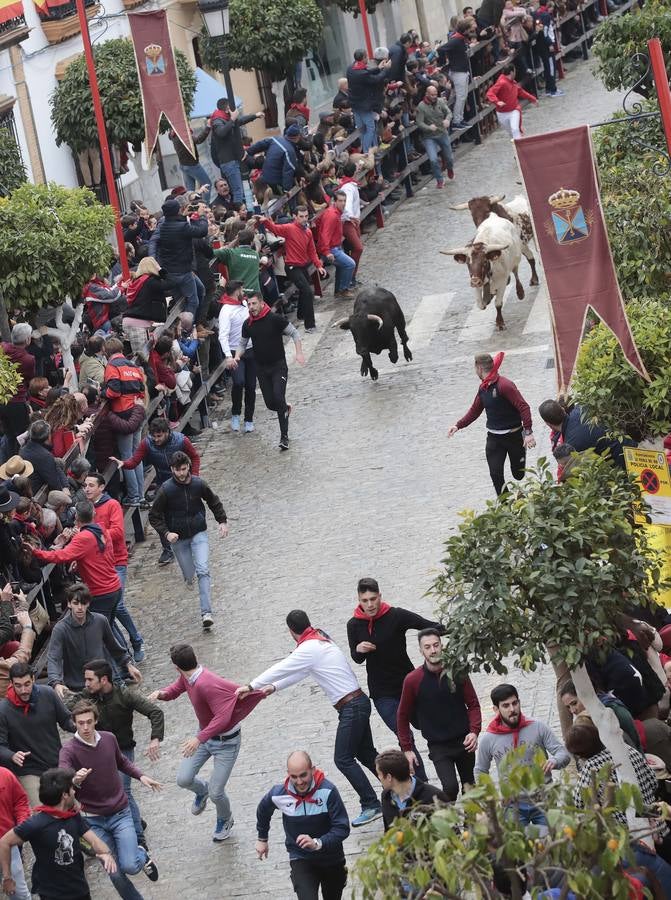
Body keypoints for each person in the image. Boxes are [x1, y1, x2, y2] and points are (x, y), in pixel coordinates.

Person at [237, 610, 383, 827]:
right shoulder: (319, 639)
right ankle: (402, 786)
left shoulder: (309, 647)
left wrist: (251, 686)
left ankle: (371, 803)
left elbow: (282, 667)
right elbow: (302, 672)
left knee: (343, 758)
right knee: (366, 753)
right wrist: (274, 687)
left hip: (352, 707)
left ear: (290, 631)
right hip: (356, 703)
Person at [148, 643, 264, 843]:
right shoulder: (188, 677)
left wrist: (198, 738)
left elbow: (223, 718)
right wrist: (163, 693)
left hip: (226, 743)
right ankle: (201, 791)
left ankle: (225, 819)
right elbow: (177, 688)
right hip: (205, 737)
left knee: (216, 792)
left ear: (176, 666)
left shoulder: (205, 684)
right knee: (183, 779)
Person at [59, 701, 161, 899]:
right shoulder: (69, 750)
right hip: (93, 823)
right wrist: (74, 779)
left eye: (89, 722)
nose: (86, 727)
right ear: (74, 723)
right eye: (81, 723)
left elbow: (121, 762)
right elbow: (64, 771)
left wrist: (141, 776)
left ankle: (142, 854)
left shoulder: (109, 738)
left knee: (130, 865)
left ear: (96, 720)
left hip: (120, 814)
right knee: (115, 874)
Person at [346, 577, 442, 782]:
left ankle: (445, 763)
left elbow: (427, 626)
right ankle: (423, 785)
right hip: (382, 693)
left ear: (380, 596)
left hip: (408, 685)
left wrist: (461, 629)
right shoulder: (354, 625)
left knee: (431, 726)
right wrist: (359, 649)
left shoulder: (395, 615)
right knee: (404, 736)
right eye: (365, 600)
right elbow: (356, 658)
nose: (370, 605)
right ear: (359, 600)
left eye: (373, 599)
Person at [566, 721, 671, 894]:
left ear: (579, 753)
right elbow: (653, 782)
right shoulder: (626, 750)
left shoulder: (590, 769)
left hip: (633, 840)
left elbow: (578, 805)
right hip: (658, 824)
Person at [78, 659, 163, 850]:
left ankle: (139, 840)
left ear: (104, 680)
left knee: (124, 791)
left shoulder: (125, 695)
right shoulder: (87, 695)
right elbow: (69, 709)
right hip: (98, 754)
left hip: (123, 750)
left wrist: (155, 739)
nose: (86, 684)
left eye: (90, 680)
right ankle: (134, 822)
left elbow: (155, 712)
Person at [0, 767, 117, 900]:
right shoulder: (36, 823)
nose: (74, 792)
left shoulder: (73, 816)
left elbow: (94, 840)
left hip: (79, 889)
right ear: (64, 795)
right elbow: (5, 841)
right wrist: (7, 877)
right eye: (72, 788)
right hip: (51, 894)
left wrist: (106, 854)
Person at [148, 451, 229, 631]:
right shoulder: (166, 490)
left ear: (188, 467)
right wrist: (166, 533)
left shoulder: (198, 484)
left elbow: (213, 501)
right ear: (172, 470)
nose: (182, 473)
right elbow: (154, 516)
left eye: (184, 469)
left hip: (198, 532)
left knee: (203, 569)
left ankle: (206, 613)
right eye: (178, 470)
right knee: (189, 573)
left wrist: (222, 521)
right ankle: (188, 578)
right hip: (178, 538)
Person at [397, 629, 481, 800]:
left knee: (470, 786)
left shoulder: (457, 672)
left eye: (436, 645)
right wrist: (407, 749)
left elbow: (473, 704)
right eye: (427, 647)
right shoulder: (413, 680)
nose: (433, 650)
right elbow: (402, 715)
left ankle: (470, 824)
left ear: (442, 646)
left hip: (464, 740)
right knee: (450, 787)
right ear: (421, 651)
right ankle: (448, 823)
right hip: (438, 746)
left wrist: (474, 731)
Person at [255, 750, 349, 900]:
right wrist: (262, 838)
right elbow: (263, 810)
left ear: (312, 770)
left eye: (303, 775)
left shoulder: (328, 791)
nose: (299, 782)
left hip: (331, 858)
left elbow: (342, 828)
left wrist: (317, 843)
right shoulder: (279, 794)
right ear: (288, 774)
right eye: (294, 777)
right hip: (301, 858)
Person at [474, 684, 570, 826]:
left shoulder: (537, 727)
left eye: (515, 703)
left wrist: (554, 761)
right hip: (513, 806)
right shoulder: (489, 739)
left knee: (550, 843)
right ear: (496, 709)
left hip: (544, 800)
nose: (512, 709)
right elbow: (480, 771)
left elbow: (563, 753)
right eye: (505, 706)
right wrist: (491, 796)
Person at [111, 417, 200, 567]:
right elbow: (135, 460)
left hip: (183, 479)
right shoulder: (148, 443)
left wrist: (195, 477)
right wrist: (124, 464)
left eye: (159, 436)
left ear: (167, 433)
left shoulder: (181, 440)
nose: (156, 439)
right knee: (159, 516)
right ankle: (167, 549)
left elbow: (195, 457)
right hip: (163, 481)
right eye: (154, 436)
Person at [447, 352, 536, 495]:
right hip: (494, 439)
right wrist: (458, 425)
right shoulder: (483, 388)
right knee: (496, 474)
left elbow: (523, 407)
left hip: (514, 437)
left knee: (518, 474)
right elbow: (475, 410)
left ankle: (519, 464)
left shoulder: (505, 385)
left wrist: (528, 432)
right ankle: (506, 506)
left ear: (479, 368)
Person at [27, 499, 122, 626]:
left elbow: (60, 555)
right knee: (109, 628)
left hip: (101, 591)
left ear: (76, 516)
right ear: (93, 514)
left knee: (102, 631)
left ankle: (131, 643)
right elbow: (99, 555)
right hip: (114, 586)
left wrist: (36, 552)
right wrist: (79, 560)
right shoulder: (102, 529)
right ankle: (134, 643)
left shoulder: (83, 537)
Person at [84, 473, 144, 663]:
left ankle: (136, 641)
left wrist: (93, 535)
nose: (86, 489)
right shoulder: (87, 508)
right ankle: (123, 652)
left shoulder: (112, 505)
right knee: (110, 612)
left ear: (101, 487)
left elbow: (118, 532)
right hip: (100, 563)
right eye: (85, 485)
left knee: (117, 606)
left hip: (116, 560)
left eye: (91, 485)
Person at [234, 294, 305, 451]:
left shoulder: (274, 319)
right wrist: (237, 356)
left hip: (278, 366)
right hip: (261, 369)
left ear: (261, 303)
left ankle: (284, 437)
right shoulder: (248, 325)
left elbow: (294, 333)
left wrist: (299, 352)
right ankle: (285, 408)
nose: (251, 307)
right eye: (249, 304)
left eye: (253, 303)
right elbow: (242, 343)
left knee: (279, 397)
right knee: (270, 403)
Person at [0, 662, 74, 809]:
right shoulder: (3, 710)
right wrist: (11, 755)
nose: (23, 690)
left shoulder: (48, 694)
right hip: (29, 770)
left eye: (27, 684)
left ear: (33, 679)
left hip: (55, 764)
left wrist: (83, 727)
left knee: (73, 808)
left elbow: (66, 720)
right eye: (18, 685)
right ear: (11, 683)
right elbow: (0, 745)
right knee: (43, 813)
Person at [47, 584, 141, 697]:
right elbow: (54, 658)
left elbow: (113, 647)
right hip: (78, 688)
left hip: (104, 682)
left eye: (83, 603)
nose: (80, 607)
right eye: (76, 603)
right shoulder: (60, 629)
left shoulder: (100, 621)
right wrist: (56, 682)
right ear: (69, 604)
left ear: (89, 603)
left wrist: (128, 664)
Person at [262, 207, 326, 333]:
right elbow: (275, 228)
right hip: (292, 267)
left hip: (302, 266)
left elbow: (312, 251)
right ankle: (310, 325)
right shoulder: (289, 228)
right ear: (295, 216)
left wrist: (318, 265)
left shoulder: (308, 232)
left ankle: (301, 315)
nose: (304, 219)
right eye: (301, 216)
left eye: (306, 216)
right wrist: (266, 221)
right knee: (307, 291)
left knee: (305, 290)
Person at [102, 338, 147, 507]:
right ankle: (140, 495)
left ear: (107, 352)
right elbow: (142, 390)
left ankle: (134, 496)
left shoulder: (112, 366)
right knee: (137, 455)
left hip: (123, 414)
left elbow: (113, 391)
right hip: (137, 410)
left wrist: (102, 393)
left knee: (127, 456)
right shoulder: (133, 366)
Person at [150, 199, 208, 320]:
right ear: (177, 210)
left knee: (198, 290)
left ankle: (193, 326)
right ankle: (188, 329)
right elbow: (202, 231)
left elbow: (175, 225)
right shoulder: (182, 226)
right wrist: (202, 216)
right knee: (193, 302)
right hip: (182, 272)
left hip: (170, 271)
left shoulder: (164, 225)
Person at [538, 399, 625, 467]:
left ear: (548, 424)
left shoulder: (571, 447)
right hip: (629, 444)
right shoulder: (581, 407)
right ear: (563, 409)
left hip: (622, 465)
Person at [376, 749, 448, 831]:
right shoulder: (386, 796)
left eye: (379, 774)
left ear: (389, 777)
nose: (379, 777)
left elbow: (452, 832)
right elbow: (388, 832)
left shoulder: (433, 796)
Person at [218, 280, 256, 433]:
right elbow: (223, 335)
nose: (243, 292)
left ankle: (249, 419)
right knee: (239, 382)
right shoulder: (226, 310)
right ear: (236, 291)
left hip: (251, 349)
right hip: (235, 352)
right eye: (241, 289)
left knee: (251, 386)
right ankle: (235, 413)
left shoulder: (246, 305)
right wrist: (228, 356)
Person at [209, 98, 265, 203]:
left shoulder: (225, 118)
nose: (234, 110)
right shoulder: (217, 120)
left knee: (242, 190)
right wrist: (232, 119)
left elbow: (240, 121)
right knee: (238, 191)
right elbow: (221, 132)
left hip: (234, 159)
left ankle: (245, 209)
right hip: (228, 162)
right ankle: (241, 214)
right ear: (227, 108)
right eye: (232, 107)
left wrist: (255, 116)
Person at [346, 49, 391, 152]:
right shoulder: (362, 74)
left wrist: (378, 68)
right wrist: (386, 69)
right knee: (370, 128)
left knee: (362, 129)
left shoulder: (351, 68)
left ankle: (368, 149)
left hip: (355, 104)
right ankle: (367, 152)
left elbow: (366, 72)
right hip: (363, 105)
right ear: (364, 58)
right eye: (366, 57)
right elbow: (376, 79)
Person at [0, 324, 34, 457]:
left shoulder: (2, 347)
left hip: (3, 399)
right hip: (16, 401)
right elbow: (29, 379)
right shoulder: (28, 360)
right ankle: (19, 466)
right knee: (21, 437)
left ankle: (8, 466)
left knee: (8, 436)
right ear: (27, 340)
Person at [415, 84, 455, 190]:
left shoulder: (440, 101)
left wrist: (447, 119)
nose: (434, 97)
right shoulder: (421, 106)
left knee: (449, 157)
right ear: (427, 94)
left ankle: (450, 168)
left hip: (442, 133)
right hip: (429, 137)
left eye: (435, 94)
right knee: (433, 159)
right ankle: (439, 179)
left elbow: (449, 112)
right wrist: (428, 127)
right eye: (432, 95)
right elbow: (419, 122)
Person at [317, 192, 356, 300]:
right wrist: (327, 252)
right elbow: (325, 235)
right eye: (340, 201)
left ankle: (338, 291)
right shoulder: (332, 215)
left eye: (344, 200)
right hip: (331, 249)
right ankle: (344, 289)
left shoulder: (335, 212)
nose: (343, 203)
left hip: (334, 247)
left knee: (341, 266)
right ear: (335, 201)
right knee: (350, 264)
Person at [0, 767, 30, 899]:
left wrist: (21, 827)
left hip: (7, 844)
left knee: (19, 893)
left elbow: (20, 801)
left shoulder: (4, 774)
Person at [485, 63, 538, 140]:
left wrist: (532, 99)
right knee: (513, 133)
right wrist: (497, 101)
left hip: (514, 110)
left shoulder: (513, 82)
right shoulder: (502, 82)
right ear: (511, 72)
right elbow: (490, 93)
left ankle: (520, 148)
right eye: (515, 71)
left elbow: (521, 92)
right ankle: (519, 144)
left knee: (515, 130)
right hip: (502, 113)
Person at [247, 125, 302, 195]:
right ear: (297, 137)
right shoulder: (289, 151)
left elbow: (261, 144)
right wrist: (286, 190)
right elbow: (288, 171)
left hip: (264, 176)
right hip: (275, 182)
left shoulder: (276, 139)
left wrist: (248, 151)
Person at [19, 420, 70, 494]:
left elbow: (55, 467)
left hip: (28, 490)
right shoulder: (45, 455)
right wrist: (65, 489)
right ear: (48, 436)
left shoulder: (23, 449)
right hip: (36, 493)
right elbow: (54, 483)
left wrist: (65, 485)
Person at [444, 18, 477, 128]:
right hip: (458, 71)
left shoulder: (461, 39)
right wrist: (446, 62)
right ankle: (456, 121)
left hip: (462, 70)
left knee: (463, 96)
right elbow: (441, 49)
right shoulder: (456, 39)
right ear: (465, 29)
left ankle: (460, 118)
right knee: (461, 97)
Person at [212, 228, 262, 295]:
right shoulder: (256, 255)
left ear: (238, 240)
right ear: (252, 241)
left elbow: (212, 253)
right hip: (254, 294)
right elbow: (258, 245)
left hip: (237, 293)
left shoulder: (230, 253)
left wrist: (235, 241)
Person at [170, 124, 211, 203]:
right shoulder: (183, 134)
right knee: (207, 184)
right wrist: (208, 127)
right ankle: (205, 206)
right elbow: (198, 140)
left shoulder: (173, 134)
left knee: (190, 191)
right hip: (192, 165)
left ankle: (192, 207)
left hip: (183, 165)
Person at [338, 162, 364, 282]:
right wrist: (351, 217)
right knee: (358, 248)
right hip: (349, 222)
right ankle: (350, 277)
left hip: (352, 221)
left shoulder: (349, 185)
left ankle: (351, 277)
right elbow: (346, 206)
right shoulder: (348, 187)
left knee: (354, 248)